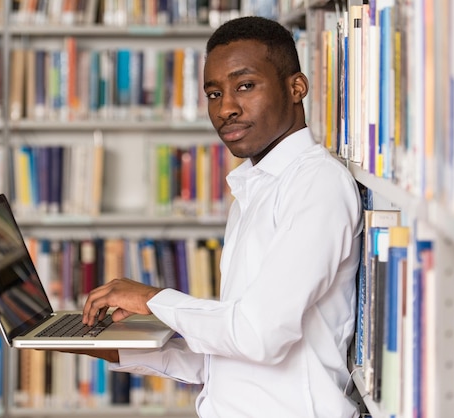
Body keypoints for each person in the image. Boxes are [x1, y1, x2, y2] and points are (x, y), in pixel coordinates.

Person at [76, 16, 363, 417]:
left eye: (245, 86)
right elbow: (226, 359)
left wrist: (153, 299)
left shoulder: (317, 186)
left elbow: (259, 334)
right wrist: (102, 345)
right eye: (213, 93)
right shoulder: (254, 186)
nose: (226, 108)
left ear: (296, 88)